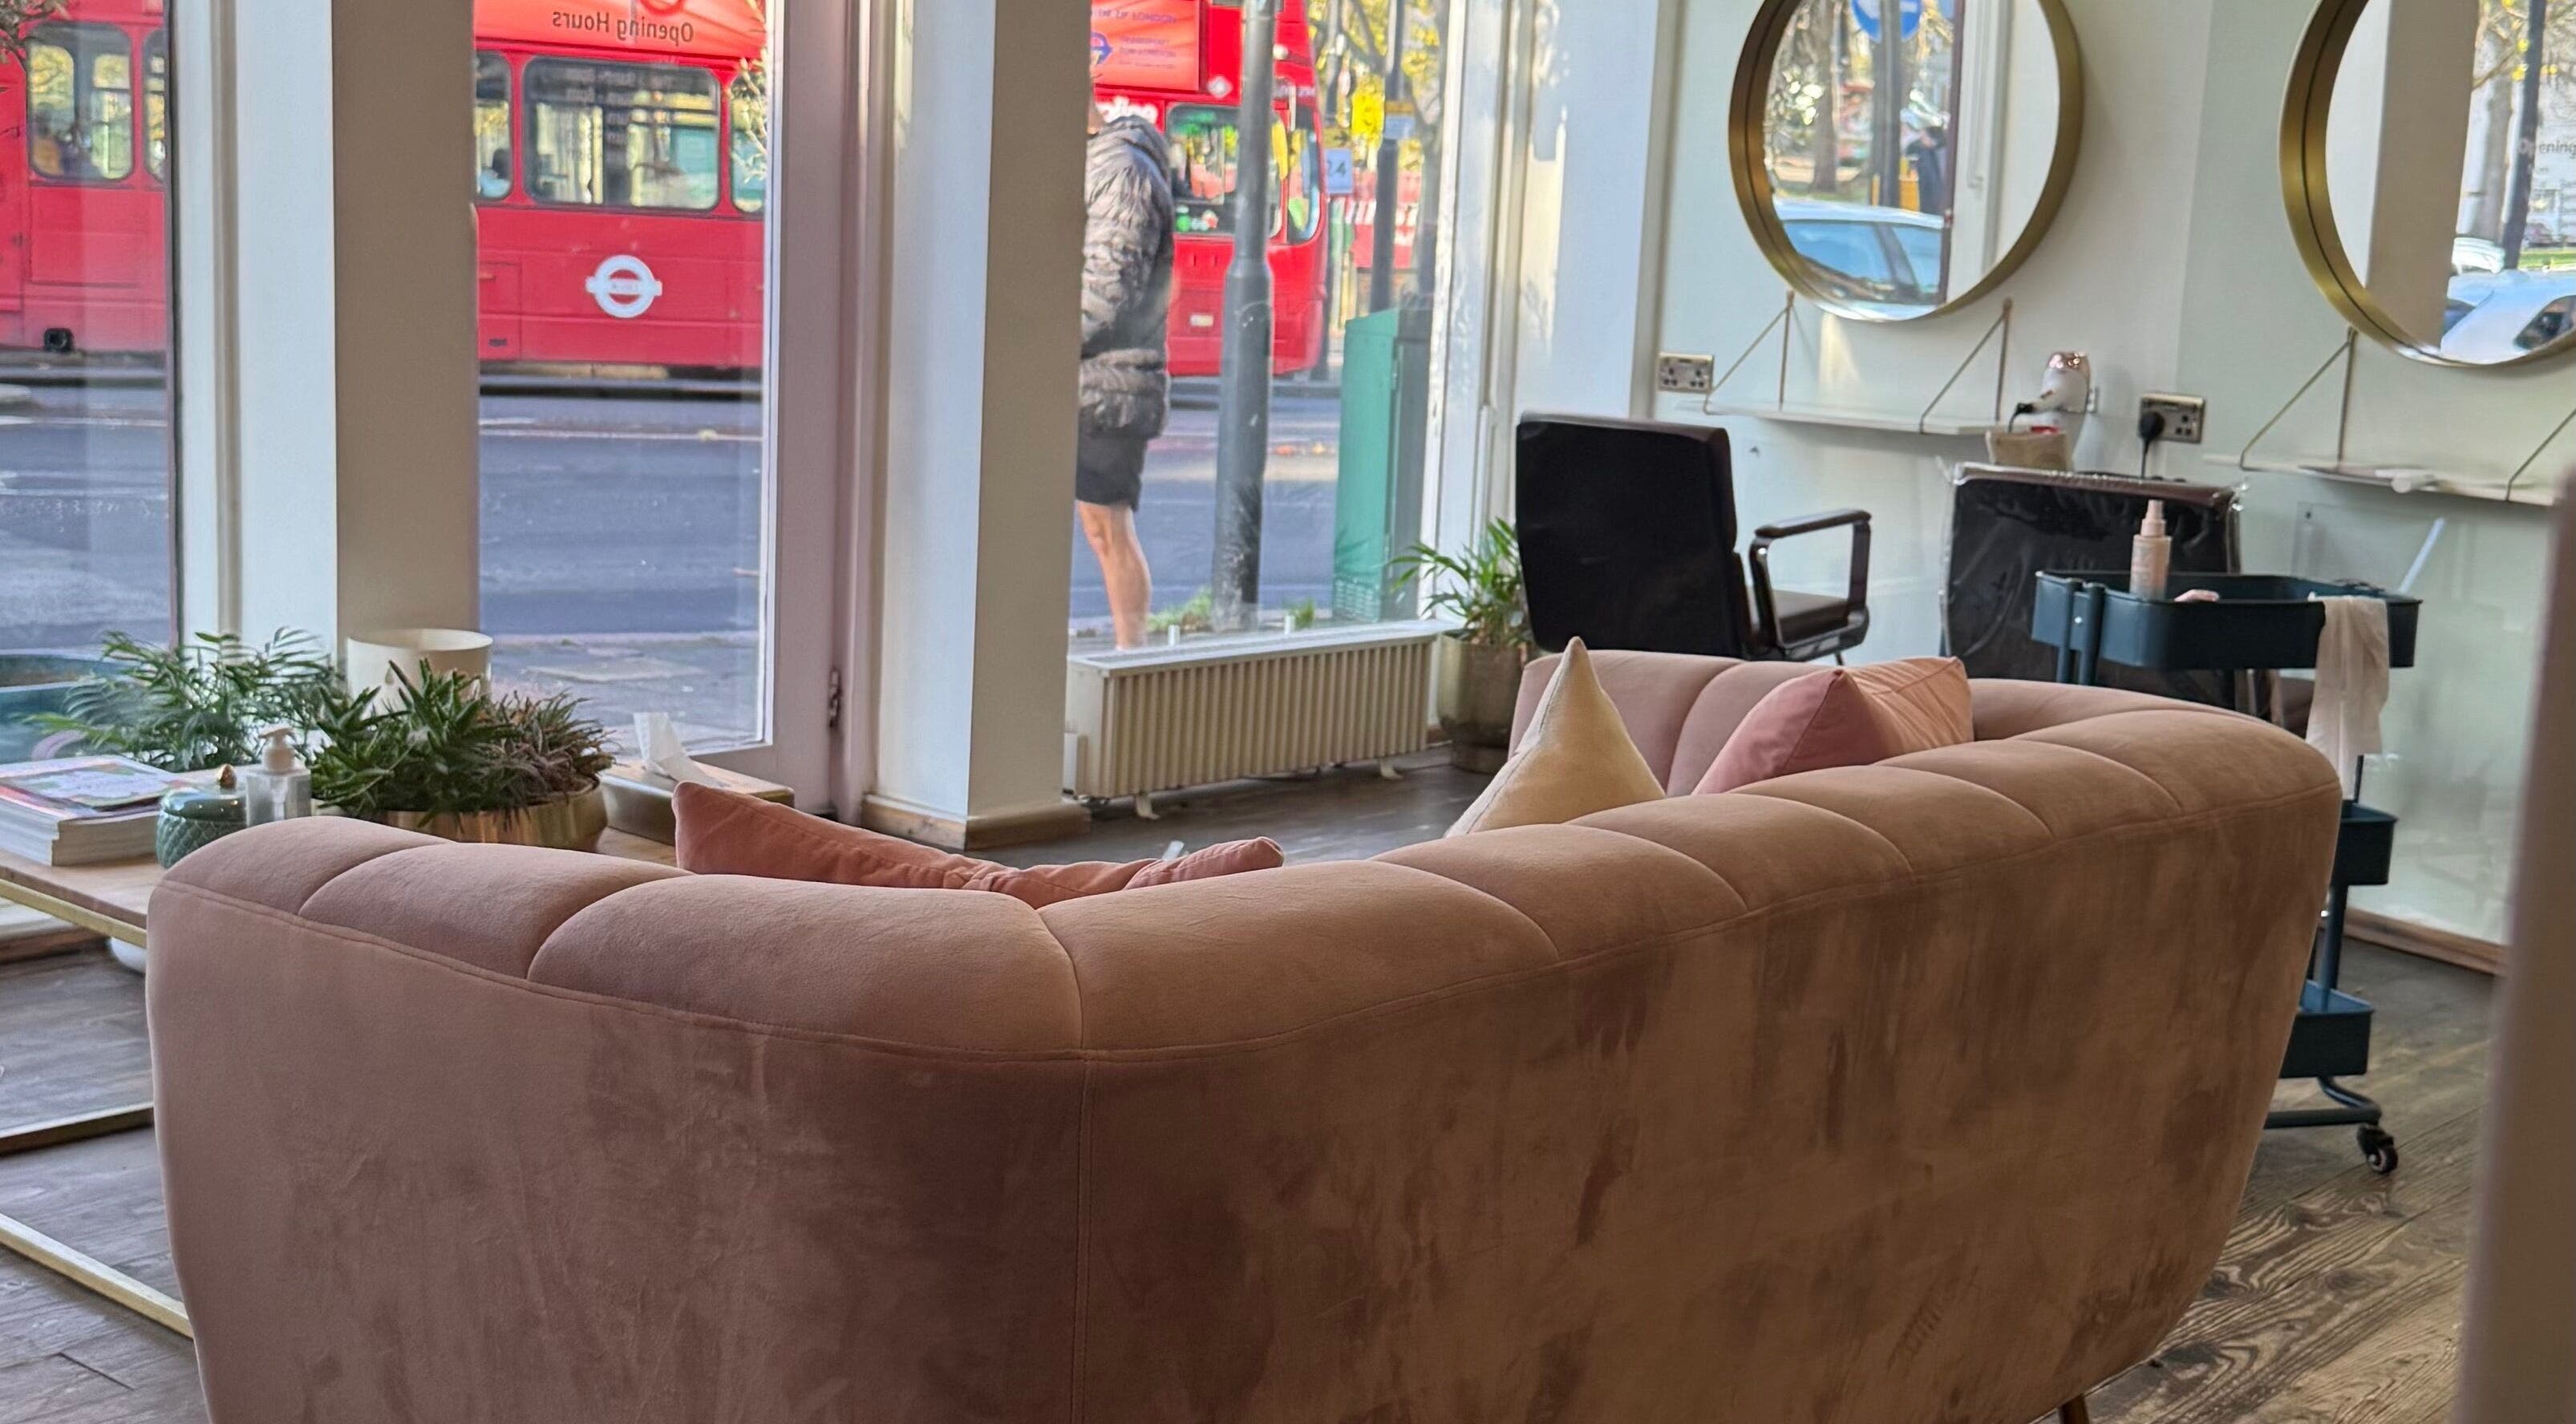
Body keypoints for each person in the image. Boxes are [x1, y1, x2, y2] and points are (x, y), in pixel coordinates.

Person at [1077, 101, 1177, 650]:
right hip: (1083, 378)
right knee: (1097, 528)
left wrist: (1034, 347)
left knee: (1107, 529)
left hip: (1113, 383)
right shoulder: (1089, 159)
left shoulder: (1122, 169)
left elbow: (1108, 292)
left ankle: (1131, 657)